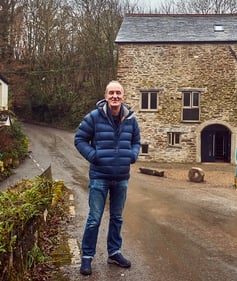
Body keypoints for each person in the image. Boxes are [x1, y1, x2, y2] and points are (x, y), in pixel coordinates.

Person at [74, 80, 141, 276]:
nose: (115, 96)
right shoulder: (94, 117)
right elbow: (79, 139)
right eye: (111, 93)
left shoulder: (130, 118)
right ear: (105, 96)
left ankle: (114, 252)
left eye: (118, 93)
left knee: (117, 218)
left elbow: (136, 140)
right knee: (94, 219)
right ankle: (87, 257)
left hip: (121, 177)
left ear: (123, 96)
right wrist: (94, 156)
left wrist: (132, 155)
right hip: (99, 176)